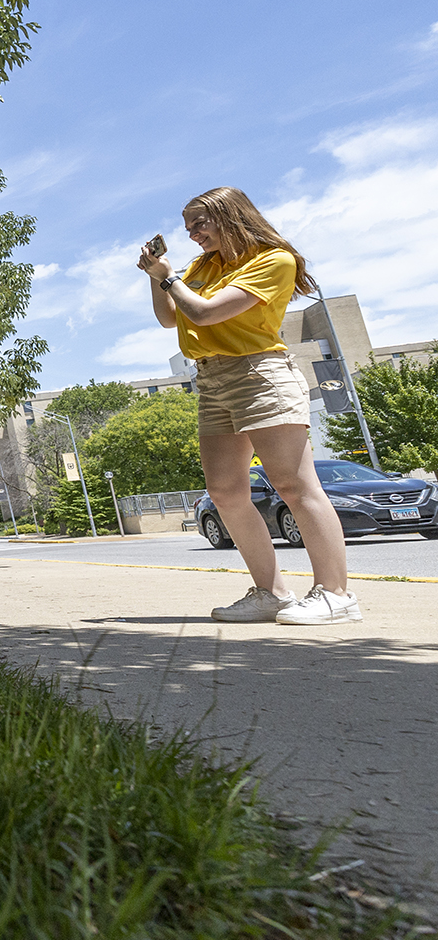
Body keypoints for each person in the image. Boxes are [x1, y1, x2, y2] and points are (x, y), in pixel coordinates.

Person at [139, 186, 359, 625]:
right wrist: (155, 276)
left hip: (259, 375)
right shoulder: (202, 265)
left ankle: (336, 594)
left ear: (231, 215)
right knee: (224, 492)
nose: (192, 234)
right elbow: (172, 317)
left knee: (294, 485)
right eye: (187, 227)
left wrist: (168, 277)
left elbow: (203, 313)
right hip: (211, 379)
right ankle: (271, 593)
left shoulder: (273, 259)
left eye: (200, 223)